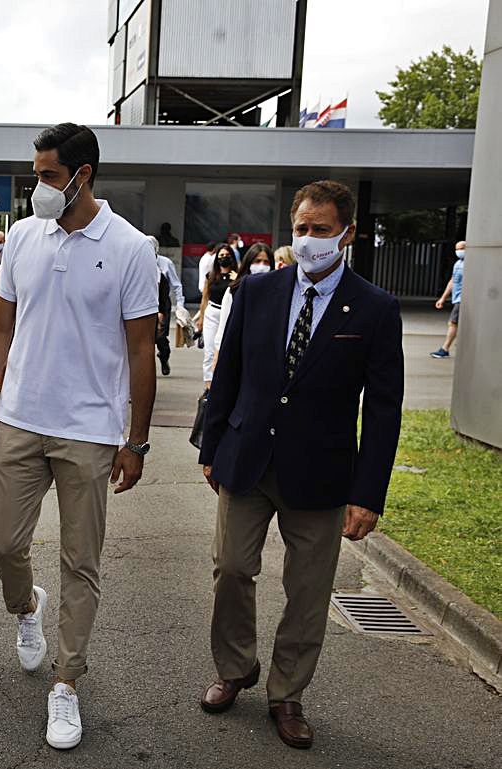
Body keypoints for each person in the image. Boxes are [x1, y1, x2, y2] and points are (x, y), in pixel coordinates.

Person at [0, 123, 157, 750]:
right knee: (2, 541)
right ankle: (27, 609)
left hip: (89, 431)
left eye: (49, 176)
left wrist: (136, 441)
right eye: (37, 175)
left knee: (82, 561)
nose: (39, 187)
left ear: (84, 176)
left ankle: (67, 683)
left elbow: (140, 353)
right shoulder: (23, 236)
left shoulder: (131, 248)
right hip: (22, 417)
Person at [198, 180, 403, 750]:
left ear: (348, 234)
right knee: (232, 568)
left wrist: (368, 494)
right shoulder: (257, 291)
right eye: (301, 229)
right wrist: (211, 448)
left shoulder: (376, 309)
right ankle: (236, 668)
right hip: (247, 459)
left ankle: (287, 693)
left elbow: (383, 410)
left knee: (308, 590)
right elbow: (228, 375)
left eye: (322, 230)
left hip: (320, 472)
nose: (309, 240)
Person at [213, 243, 274, 362]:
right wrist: (218, 355)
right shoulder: (235, 290)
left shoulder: (277, 291)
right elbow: (224, 327)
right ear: (248, 263)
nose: (261, 266)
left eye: (266, 262)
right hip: (240, 353)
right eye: (257, 261)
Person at [198, 244, 237, 388]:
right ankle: (209, 385)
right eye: (221, 256)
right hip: (212, 313)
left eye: (227, 255)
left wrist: (238, 278)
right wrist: (201, 319)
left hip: (229, 314)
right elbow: (205, 298)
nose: (224, 258)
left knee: (224, 350)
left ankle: (224, 383)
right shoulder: (211, 275)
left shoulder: (237, 276)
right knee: (209, 350)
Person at [148, 234, 184, 375]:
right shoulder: (139, 262)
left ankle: (164, 357)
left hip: (162, 304)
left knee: (160, 337)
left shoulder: (165, 263)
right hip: (146, 302)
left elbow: (176, 285)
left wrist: (180, 305)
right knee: (147, 337)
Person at [431, 240, 467, 359]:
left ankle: (445, 349)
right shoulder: (457, 264)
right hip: (457, 299)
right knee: (459, 324)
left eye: (461, 248)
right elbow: (452, 281)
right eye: (457, 249)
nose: (459, 251)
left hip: (463, 300)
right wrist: (443, 298)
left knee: (453, 323)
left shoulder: (470, 265)